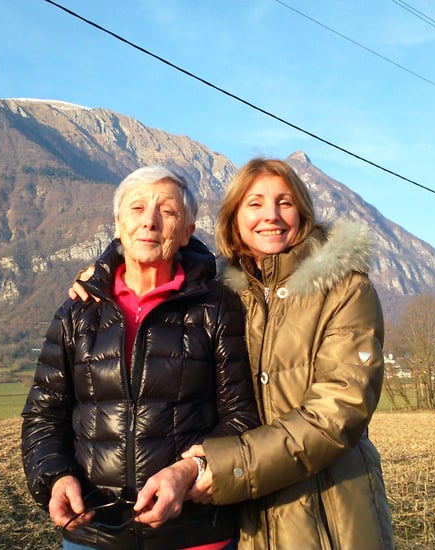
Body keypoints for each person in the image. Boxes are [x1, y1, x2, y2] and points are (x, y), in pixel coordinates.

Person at [73, 158, 394, 549]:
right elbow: (169, 250)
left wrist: (225, 467)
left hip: (328, 513)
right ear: (234, 219)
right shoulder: (223, 294)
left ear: (304, 213)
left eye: (285, 202)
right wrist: (107, 270)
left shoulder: (345, 290)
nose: (271, 216)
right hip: (247, 522)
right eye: (255, 204)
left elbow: (337, 412)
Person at [21, 165, 260, 550]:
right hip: (94, 532)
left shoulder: (216, 308)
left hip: (194, 533)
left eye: (167, 211)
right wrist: (55, 478)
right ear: (117, 225)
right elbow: (44, 414)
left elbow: (242, 415)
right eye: (136, 208)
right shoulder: (78, 311)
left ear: (186, 231)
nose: (149, 221)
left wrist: (190, 469)